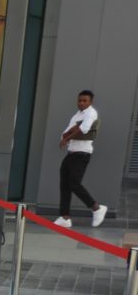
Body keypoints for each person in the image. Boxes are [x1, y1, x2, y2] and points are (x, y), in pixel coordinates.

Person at [54, 90, 107, 229]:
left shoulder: (91, 113)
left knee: (74, 183)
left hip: (82, 154)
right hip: (71, 153)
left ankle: (96, 208)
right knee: (64, 184)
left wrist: (66, 138)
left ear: (91, 102)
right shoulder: (77, 115)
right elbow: (67, 131)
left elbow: (83, 129)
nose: (81, 103)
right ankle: (65, 217)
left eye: (85, 100)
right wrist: (64, 138)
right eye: (79, 100)